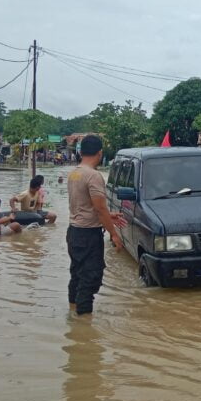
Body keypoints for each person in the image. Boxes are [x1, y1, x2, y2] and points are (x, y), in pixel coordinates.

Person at [66, 135, 126, 316]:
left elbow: (86, 206)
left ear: (81, 151)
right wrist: (114, 234)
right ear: (99, 153)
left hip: (74, 232)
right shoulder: (93, 176)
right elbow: (99, 208)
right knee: (90, 278)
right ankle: (84, 327)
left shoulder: (74, 173)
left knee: (77, 275)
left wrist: (109, 216)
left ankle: (72, 313)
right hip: (88, 236)